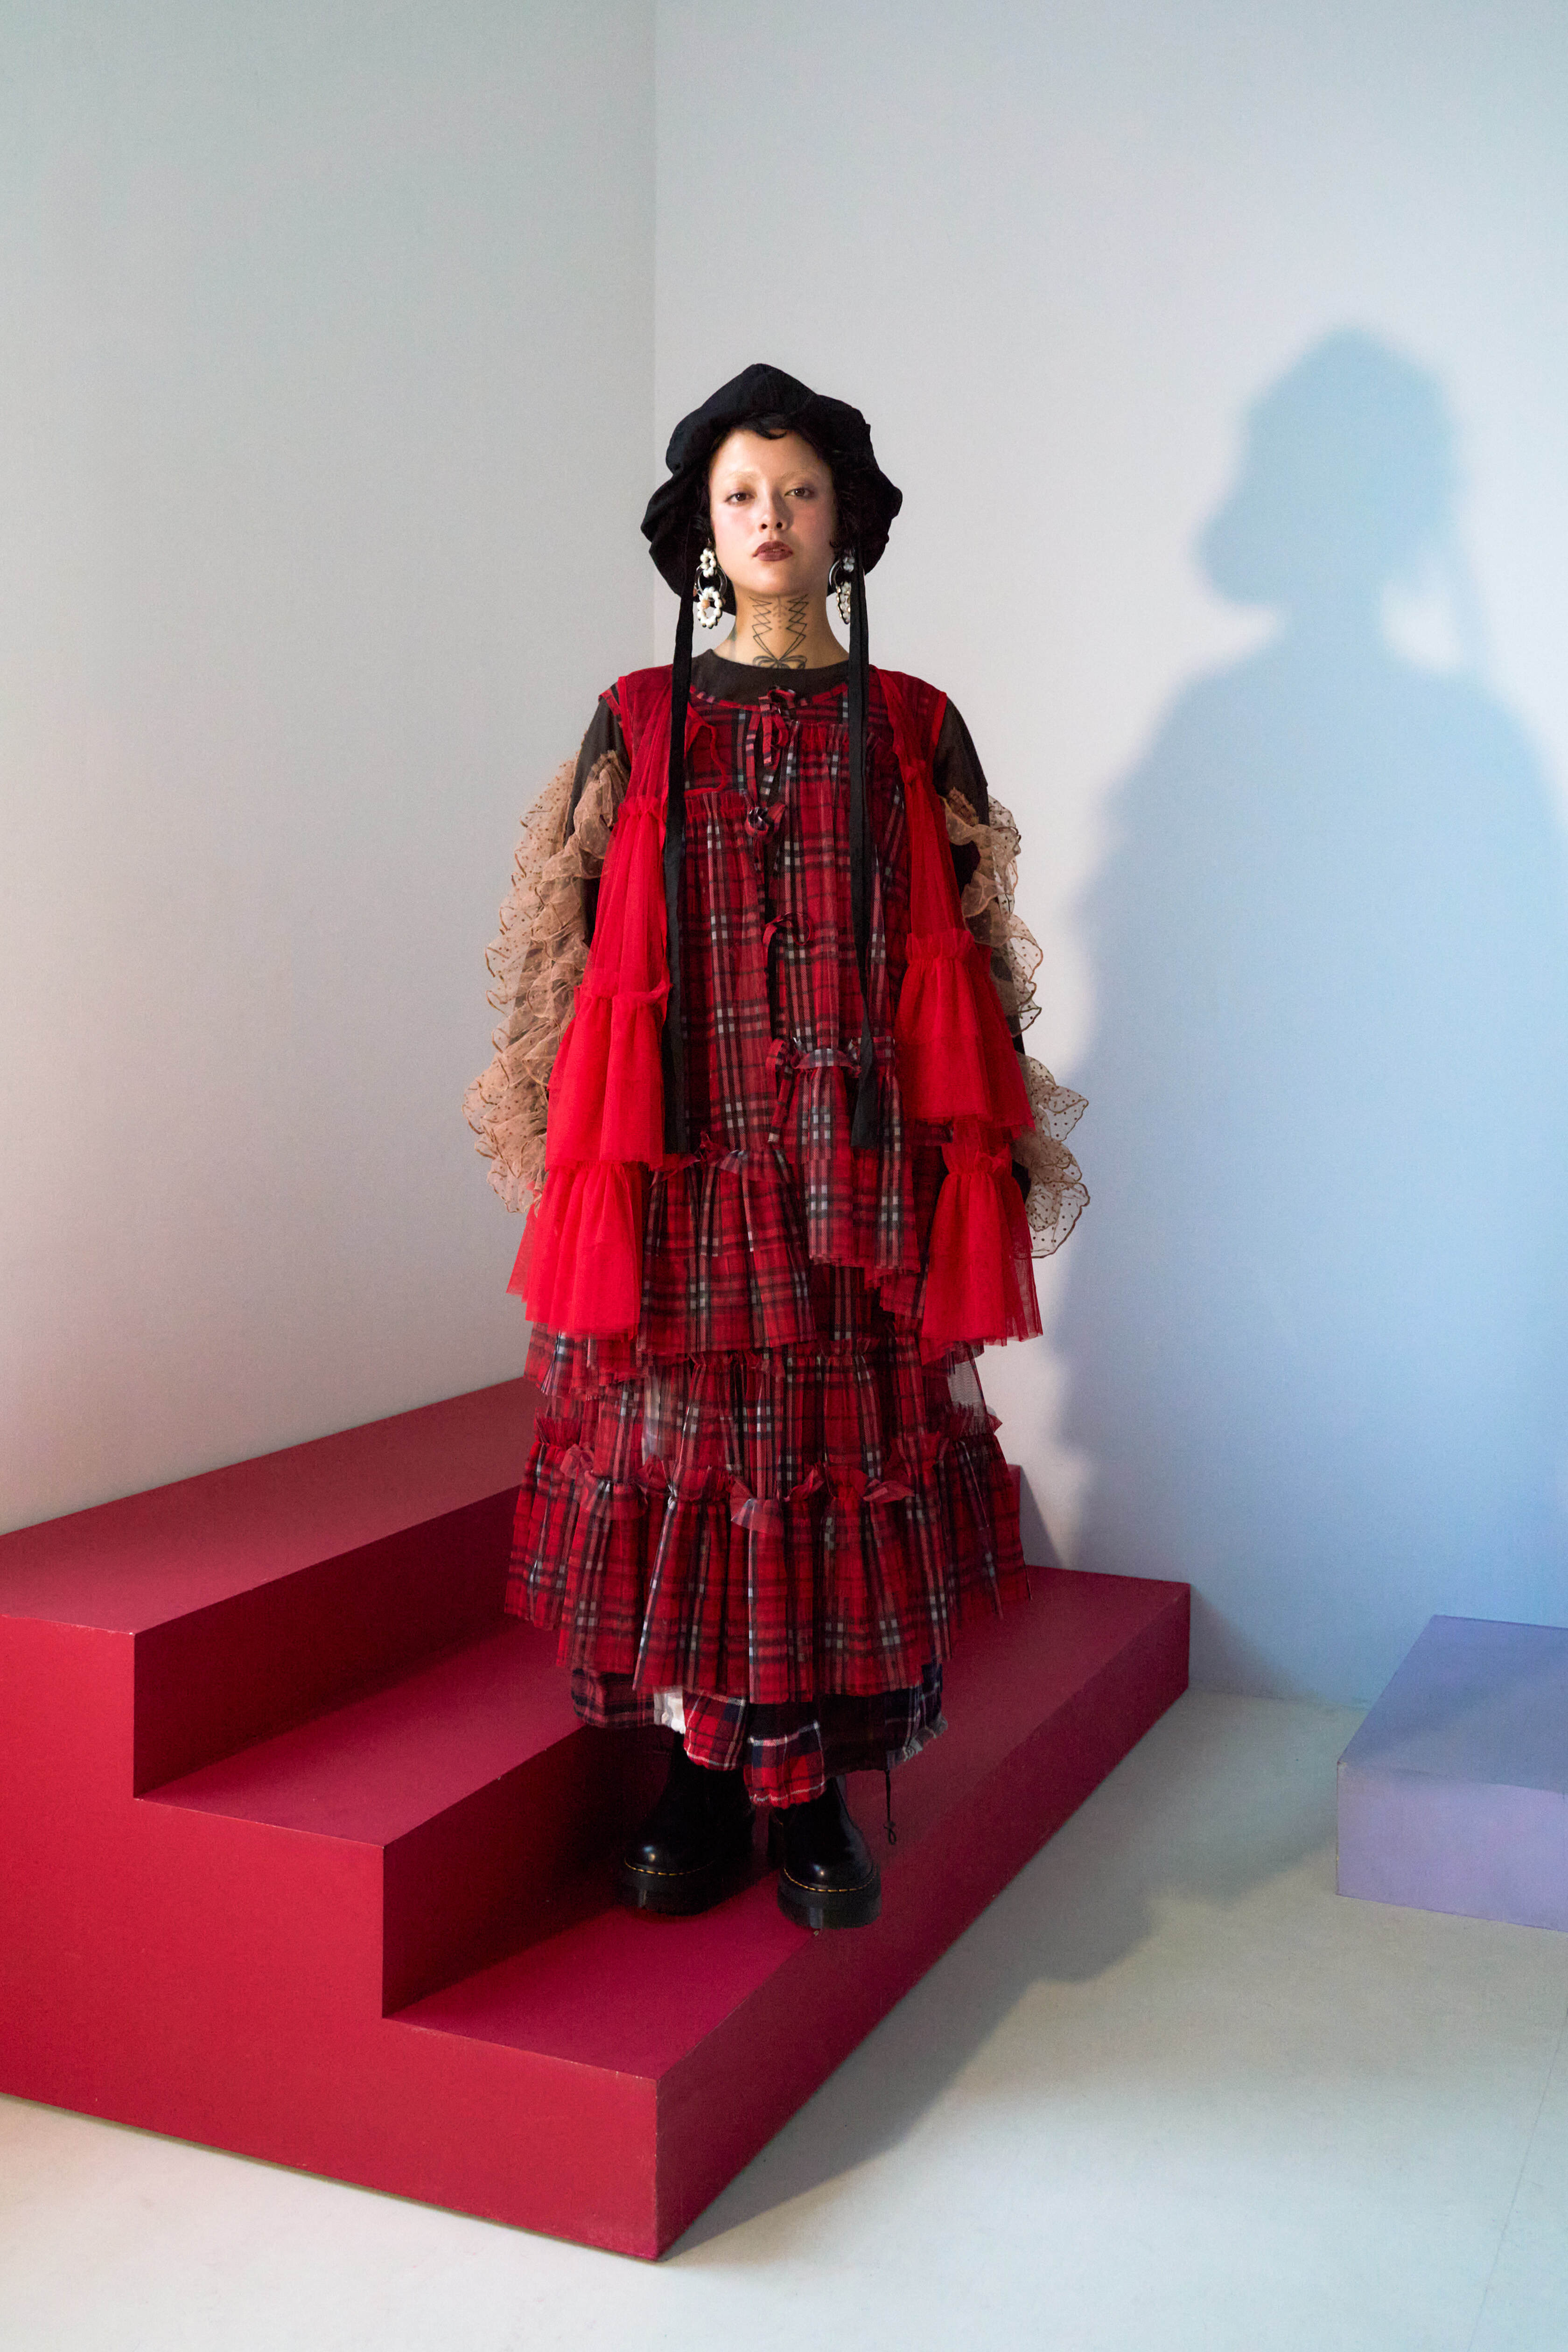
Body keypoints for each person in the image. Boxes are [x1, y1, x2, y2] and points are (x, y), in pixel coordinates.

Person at [466, 363, 1086, 1932]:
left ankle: (808, 1793)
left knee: (826, 1461)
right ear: (702, 525)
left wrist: (970, 1155)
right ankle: (699, 1774)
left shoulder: (915, 723)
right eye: (741, 493)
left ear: (843, 522)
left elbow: (977, 958)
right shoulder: (638, 716)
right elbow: (564, 954)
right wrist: (578, 1146)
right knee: (693, 1459)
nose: (769, 518)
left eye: (797, 492)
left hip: (855, 1169)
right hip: (687, 1164)